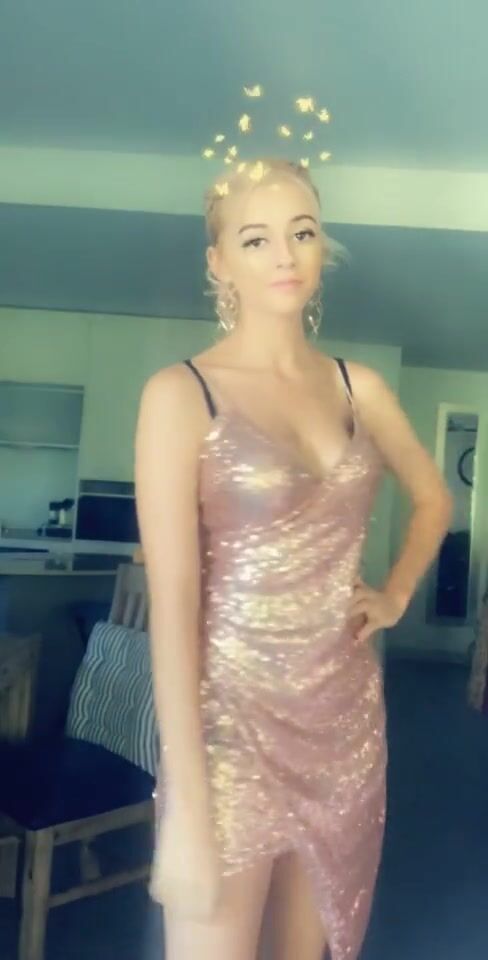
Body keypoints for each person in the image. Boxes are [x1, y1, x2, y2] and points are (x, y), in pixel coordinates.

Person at [134, 158, 453, 960]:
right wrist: (186, 809)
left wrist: (395, 594)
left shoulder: (357, 387)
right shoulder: (180, 393)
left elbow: (434, 498)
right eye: (257, 238)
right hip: (229, 724)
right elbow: (173, 606)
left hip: (342, 721)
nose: (285, 254)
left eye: (302, 232)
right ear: (220, 263)